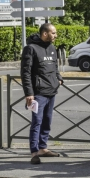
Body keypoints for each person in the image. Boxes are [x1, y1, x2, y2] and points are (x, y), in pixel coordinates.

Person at [21, 23, 63, 165]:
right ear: (44, 33)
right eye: (53, 33)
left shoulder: (51, 47)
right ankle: (34, 152)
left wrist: (59, 78)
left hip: (51, 90)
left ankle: (43, 148)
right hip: (38, 93)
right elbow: (25, 73)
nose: (55, 35)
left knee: (47, 121)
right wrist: (29, 93)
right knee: (37, 122)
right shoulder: (30, 49)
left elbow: (55, 66)